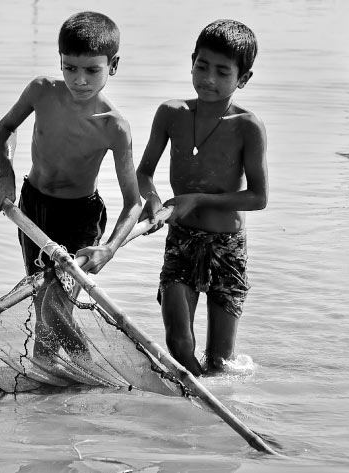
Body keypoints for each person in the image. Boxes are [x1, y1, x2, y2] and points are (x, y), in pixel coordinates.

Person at [0, 11, 141, 357]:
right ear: (60, 62)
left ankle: (86, 374)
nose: (79, 80)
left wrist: (109, 247)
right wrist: (5, 172)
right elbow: (5, 127)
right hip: (33, 207)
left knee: (56, 306)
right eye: (70, 68)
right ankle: (51, 393)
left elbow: (134, 203)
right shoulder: (42, 91)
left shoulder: (114, 126)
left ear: (112, 66)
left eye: (91, 70)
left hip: (79, 218)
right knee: (44, 304)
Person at [136, 19, 268, 376]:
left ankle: (213, 405)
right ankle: (192, 414)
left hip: (227, 245)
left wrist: (197, 198)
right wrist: (152, 201)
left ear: (243, 79)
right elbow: (144, 172)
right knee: (179, 344)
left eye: (223, 72)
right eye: (202, 67)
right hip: (181, 239)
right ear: (192, 61)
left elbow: (257, 198)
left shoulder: (247, 126)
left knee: (221, 360)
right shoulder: (170, 114)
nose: (209, 79)